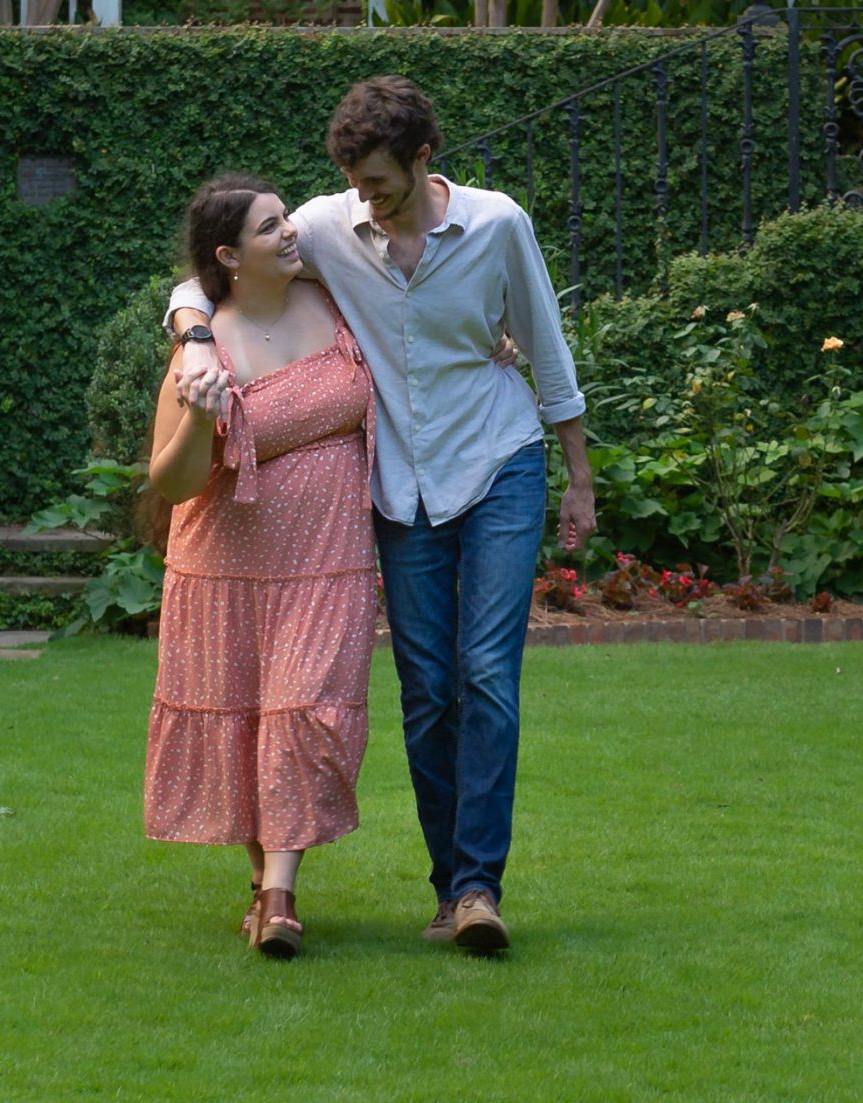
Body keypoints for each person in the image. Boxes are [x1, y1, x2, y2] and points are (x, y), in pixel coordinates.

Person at [168, 76, 596, 954]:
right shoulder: (326, 227)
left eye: (381, 181)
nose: (367, 196)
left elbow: (547, 351)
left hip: (498, 458)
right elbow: (214, 268)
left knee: (485, 672)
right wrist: (193, 331)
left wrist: (580, 477)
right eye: (356, 181)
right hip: (403, 485)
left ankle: (478, 886)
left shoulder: (498, 225)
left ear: (425, 157)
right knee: (427, 685)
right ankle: (449, 892)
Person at [145, 173, 381, 959]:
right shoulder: (203, 351)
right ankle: (270, 889)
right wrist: (201, 415)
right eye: (270, 226)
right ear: (229, 255)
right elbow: (172, 483)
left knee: (307, 710)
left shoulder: (338, 299)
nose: (291, 234)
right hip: (223, 566)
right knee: (241, 720)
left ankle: (277, 890)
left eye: (287, 220)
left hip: (328, 563)